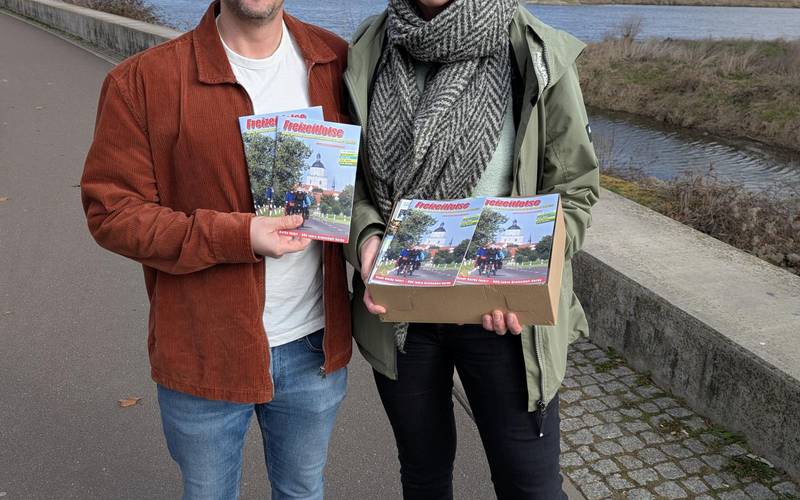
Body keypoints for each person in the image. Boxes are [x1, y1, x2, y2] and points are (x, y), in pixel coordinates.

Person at [80, 1, 352, 498]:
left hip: (313, 342)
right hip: (203, 348)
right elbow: (112, 213)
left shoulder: (336, 59)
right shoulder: (143, 80)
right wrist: (238, 235)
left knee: (303, 490)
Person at [344, 0, 599, 498]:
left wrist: (527, 276)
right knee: (423, 474)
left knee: (531, 487)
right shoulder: (369, 48)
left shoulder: (533, 50)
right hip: (402, 317)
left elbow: (574, 189)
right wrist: (368, 236)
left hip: (503, 320)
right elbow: (352, 182)